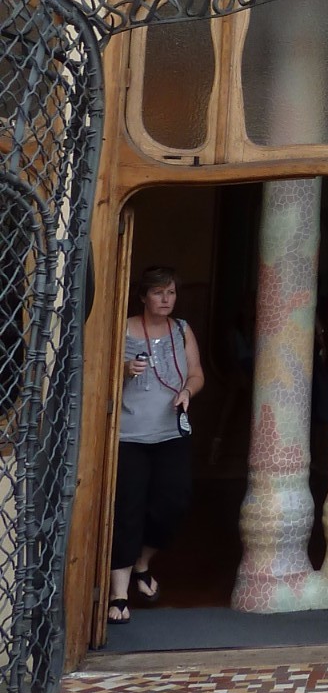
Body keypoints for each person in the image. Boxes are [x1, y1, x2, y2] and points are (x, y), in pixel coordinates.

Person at [108, 265, 204, 625]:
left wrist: (187, 391)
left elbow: (197, 373)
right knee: (127, 508)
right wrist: (123, 370)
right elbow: (98, 371)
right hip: (129, 436)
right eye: (158, 292)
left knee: (173, 503)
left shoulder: (182, 330)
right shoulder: (122, 327)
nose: (166, 299)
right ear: (143, 296)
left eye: (171, 292)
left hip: (171, 434)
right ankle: (118, 594)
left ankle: (142, 563)